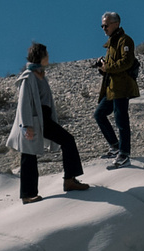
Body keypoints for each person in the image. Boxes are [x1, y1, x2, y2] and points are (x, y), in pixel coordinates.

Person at [8, 42, 87, 201]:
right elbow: (24, 102)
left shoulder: (40, 74)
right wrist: (26, 125)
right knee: (29, 155)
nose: (49, 57)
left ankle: (69, 180)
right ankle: (28, 195)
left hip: (43, 118)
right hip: (33, 119)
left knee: (67, 141)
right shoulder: (29, 76)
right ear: (40, 57)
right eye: (46, 55)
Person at [95, 12, 138, 168]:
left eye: (106, 25)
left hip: (122, 87)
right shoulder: (112, 43)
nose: (103, 28)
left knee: (121, 121)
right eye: (102, 25)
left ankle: (124, 154)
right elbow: (112, 66)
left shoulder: (125, 41)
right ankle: (114, 146)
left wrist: (108, 67)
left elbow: (126, 62)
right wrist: (103, 67)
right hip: (112, 88)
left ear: (116, 24)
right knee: (99, 114)